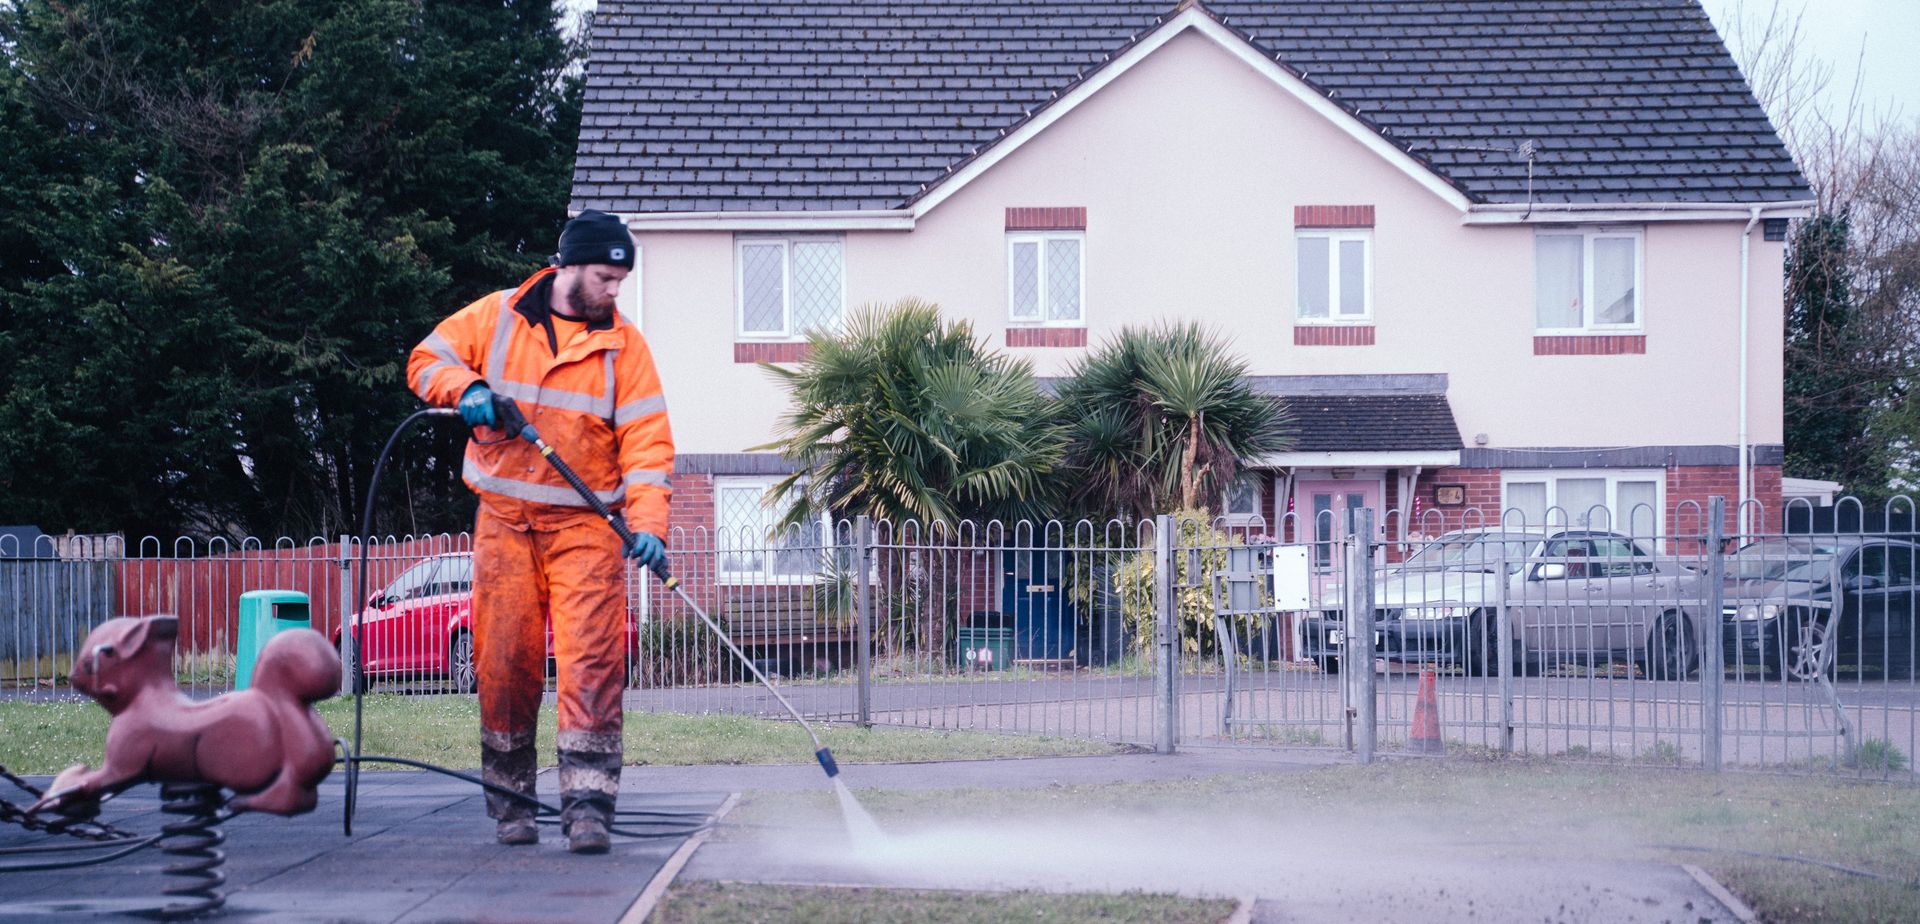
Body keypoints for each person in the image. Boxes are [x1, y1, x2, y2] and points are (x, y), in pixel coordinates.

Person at [407, 210, 673, 854]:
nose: (615, 291)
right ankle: (514, 808)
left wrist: (649, 525)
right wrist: (464, 387)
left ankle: (588, 809)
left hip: (585, 526)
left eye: (620, 281)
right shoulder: (498, 316)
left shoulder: (625, 347)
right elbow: (425, 359)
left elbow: (647, 443)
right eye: (607, 278)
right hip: (503, 523)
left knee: (591, 665)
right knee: (503, 663)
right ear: (570, 267)